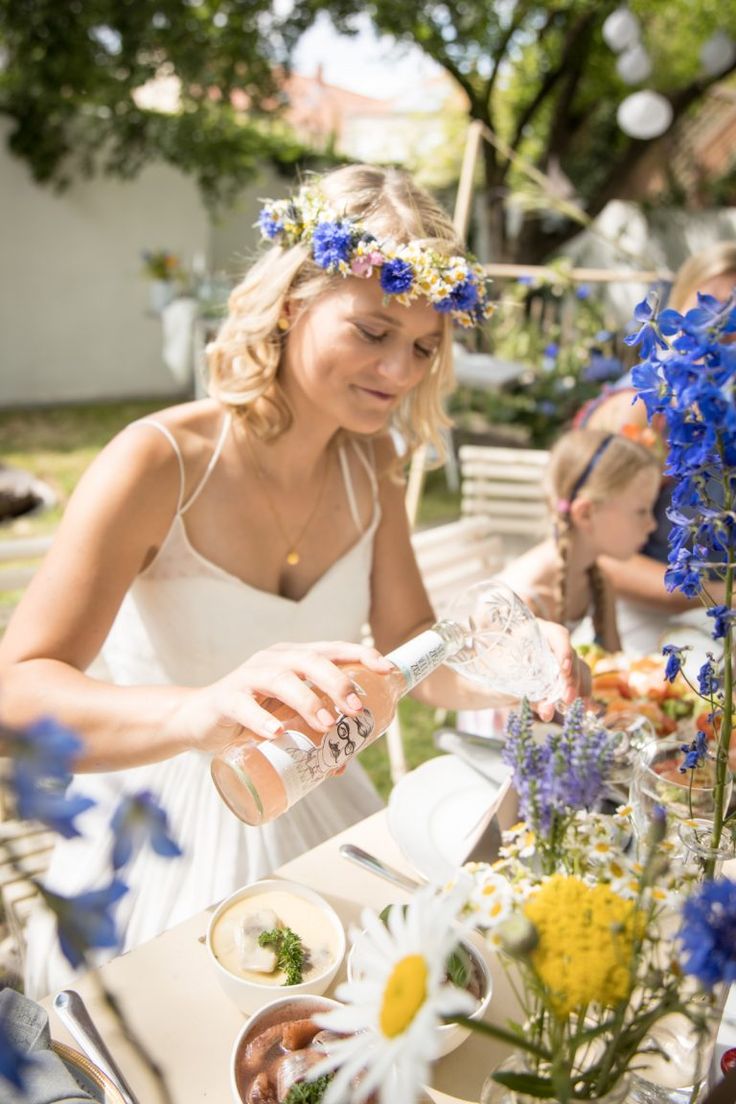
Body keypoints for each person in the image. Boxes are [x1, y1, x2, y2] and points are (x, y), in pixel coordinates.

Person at [0, 164, 587, 998]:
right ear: (290, 303)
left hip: (313, 797)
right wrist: (201, 712)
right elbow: (16, 696)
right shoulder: (158, 462)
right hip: (161, 830)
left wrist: (522, 661)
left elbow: (417, 664)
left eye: (425, 346)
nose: (401, 371)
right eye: (374, 331)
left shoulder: (374, 462)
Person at [574, 241, 736, 654]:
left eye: (732, 326)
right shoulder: (644, 412)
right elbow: (590, 549)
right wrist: (722, 595)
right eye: (710, 320)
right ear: (676, 319)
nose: (720, 340)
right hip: (641, 625)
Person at [457, 427, 659, 736]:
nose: (652, 524)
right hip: (503, 734)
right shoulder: (525, 597)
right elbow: (521, 712)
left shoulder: (598, 577)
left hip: (555, 723)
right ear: (586, 513)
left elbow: (617, 670)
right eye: (641, 510)